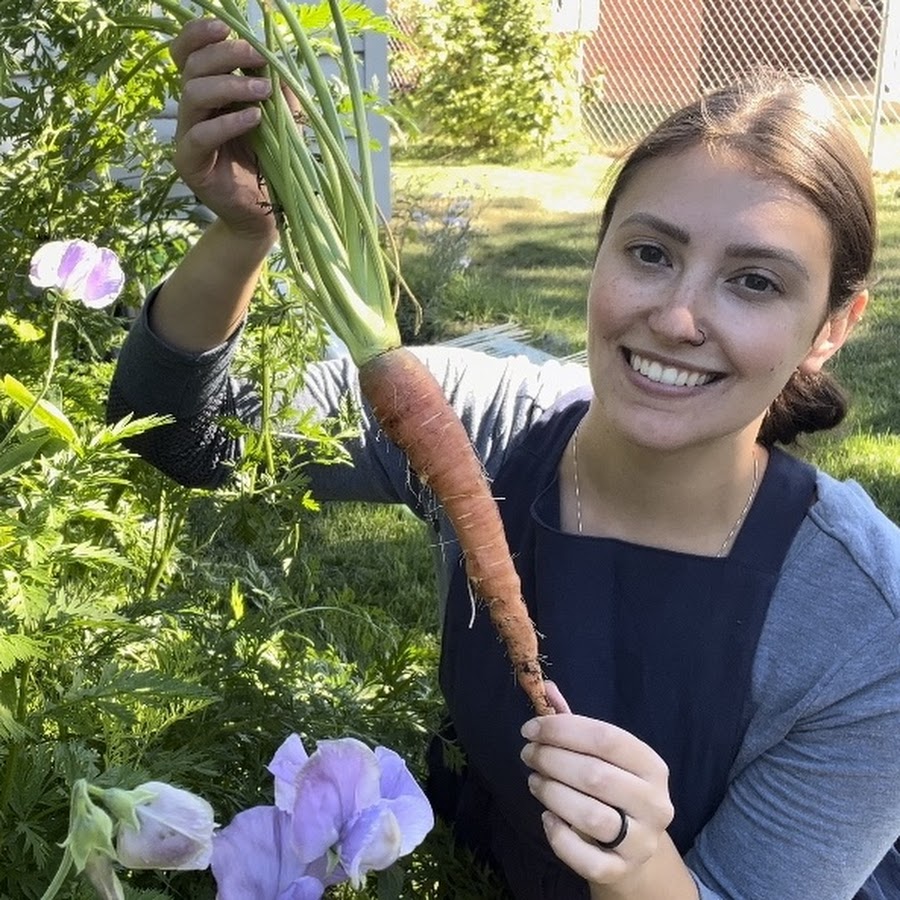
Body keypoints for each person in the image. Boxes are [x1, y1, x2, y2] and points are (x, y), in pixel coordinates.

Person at [107, 17, 900, 900]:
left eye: (755, 281)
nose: (678, 317)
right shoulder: (484, 425)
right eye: (650, 253)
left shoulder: (870, 627)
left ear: (833, 327)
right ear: (600, 256)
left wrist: (639, 869)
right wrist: (239, 234)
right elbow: (182, 431)